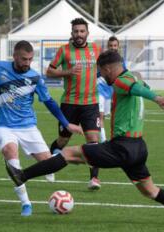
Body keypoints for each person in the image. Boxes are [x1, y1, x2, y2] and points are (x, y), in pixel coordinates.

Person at [5, 50, 164, 225]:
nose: (102, 76)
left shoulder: (122, 82)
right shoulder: (136, 77)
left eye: (102, 72)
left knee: (68, 153)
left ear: (109, 68)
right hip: (139, 148)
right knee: (151, 191)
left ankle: (22, 176)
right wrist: (154, 94)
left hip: (122, 147)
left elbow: (135, 89)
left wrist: (156, 98)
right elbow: (141, 87)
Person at [0, 33, 83, 217]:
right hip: (4, 125)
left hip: (28, 127)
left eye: (30, 59)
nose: (27, 63)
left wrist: (67, 124)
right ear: (15, 56)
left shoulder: (35, 78)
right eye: (24, 59)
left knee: (49, 163)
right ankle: (26, 203)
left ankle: (51, 157)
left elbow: (49, 102)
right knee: (11, 154)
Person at [46, 18, 102, 190]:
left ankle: (94, 179)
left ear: (87, 33)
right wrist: (67, 72)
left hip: (91, 104)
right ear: (72, 33)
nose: (79, 34)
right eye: (76, 31)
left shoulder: (96, 49)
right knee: (62, 141)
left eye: (82, 31)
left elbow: (104, 68)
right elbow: (49, 71)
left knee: (93, 142)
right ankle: (49, 164)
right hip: (69, 104)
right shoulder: (64, 51)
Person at [97, 36, 125, 142]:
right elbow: (98, 72)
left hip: (111, 91)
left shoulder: (121, 60)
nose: (113, 47)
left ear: (118, 47)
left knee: (111, 116)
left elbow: (124, 73)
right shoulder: (103, 58)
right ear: (107, 46)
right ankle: (104, 140)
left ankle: (113, 138)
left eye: (115, 45)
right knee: (100, 116)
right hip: (99, 88)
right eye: (110, 45)